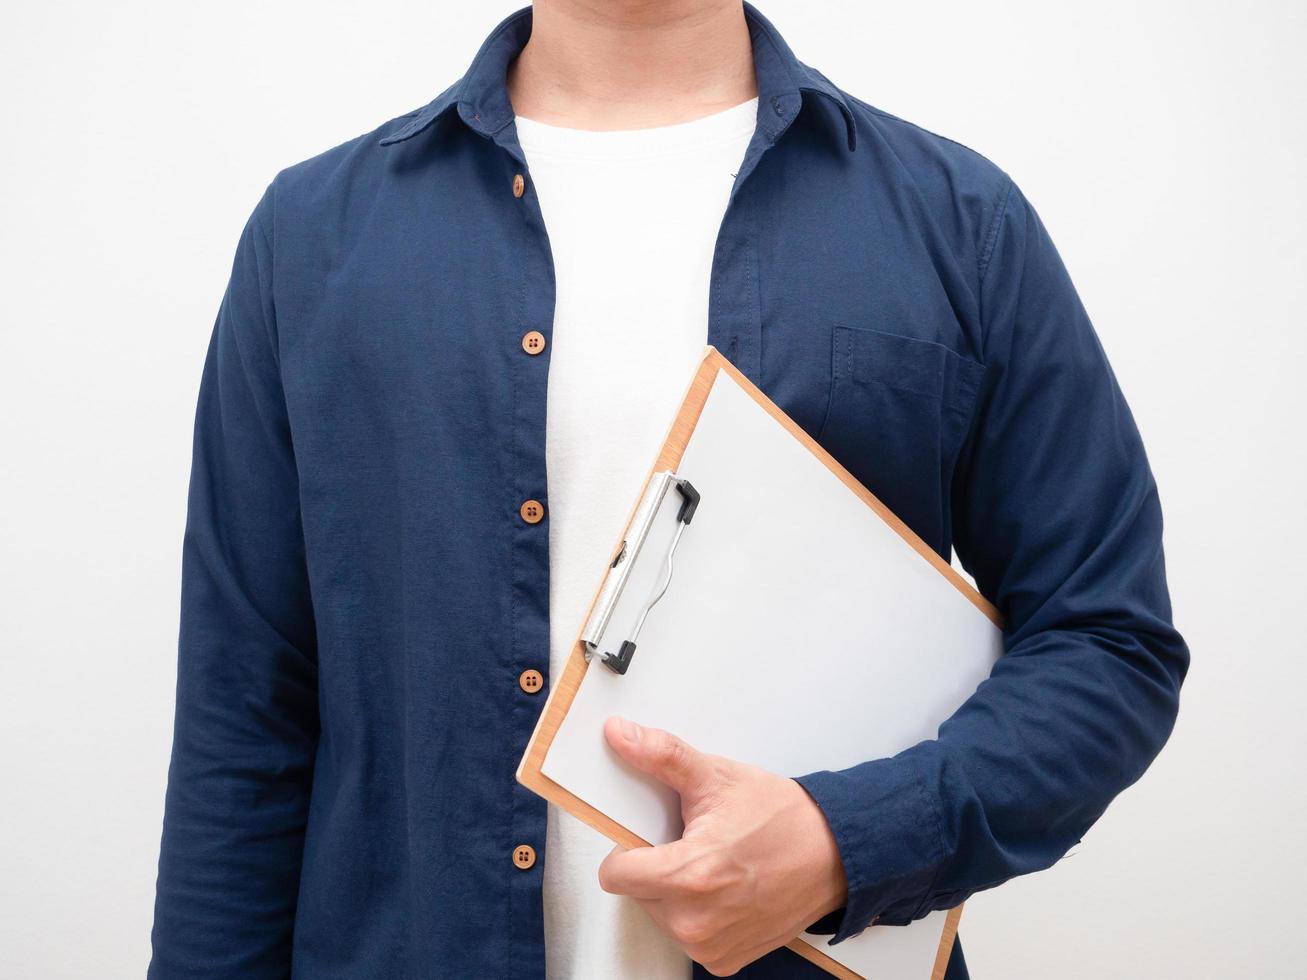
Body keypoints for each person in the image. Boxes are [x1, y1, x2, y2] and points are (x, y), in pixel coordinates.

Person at [148, 2, 1188, 978]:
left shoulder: (959, 223)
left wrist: (844, 840)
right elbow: (244, 713)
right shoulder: (312, 238)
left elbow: (1106, 638)